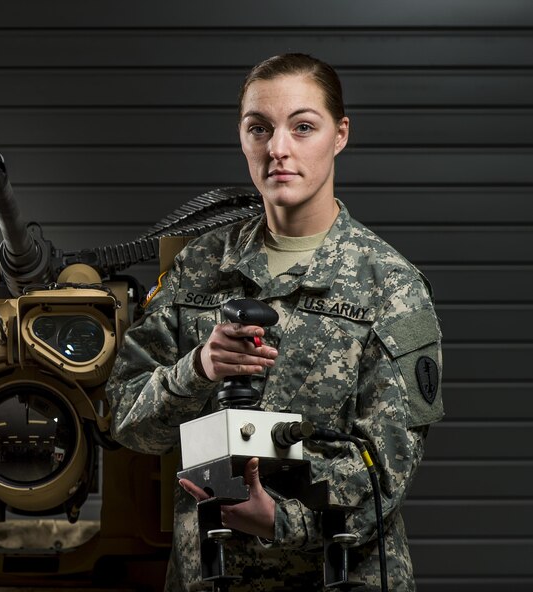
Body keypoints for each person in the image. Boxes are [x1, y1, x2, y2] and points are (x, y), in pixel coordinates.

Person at [105, 53, 444, 591]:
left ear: (340, 135)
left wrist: (282, 521)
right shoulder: (198, 267)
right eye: (258, 128)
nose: (277, 149)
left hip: (337, 577)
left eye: (303, 127)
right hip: (211, 576)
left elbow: (387, 471)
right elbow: (125, 421)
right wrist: (198, 367)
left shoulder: (391, 288)